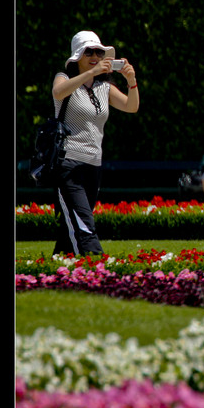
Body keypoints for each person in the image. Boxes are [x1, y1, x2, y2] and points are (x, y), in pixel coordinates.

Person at [51, 30, 139, 256]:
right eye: (88, 51)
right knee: (84, 223)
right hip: (68, 163)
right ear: (77, 56)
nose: (94, 55)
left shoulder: (104, 88)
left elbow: (131, 106)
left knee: (74, 219)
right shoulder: (65, 78)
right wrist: (91, 72)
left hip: (93, 165)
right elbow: (58, 92)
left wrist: (131, 81)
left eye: (99, 52)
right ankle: (96, 265)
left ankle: (58, 262)